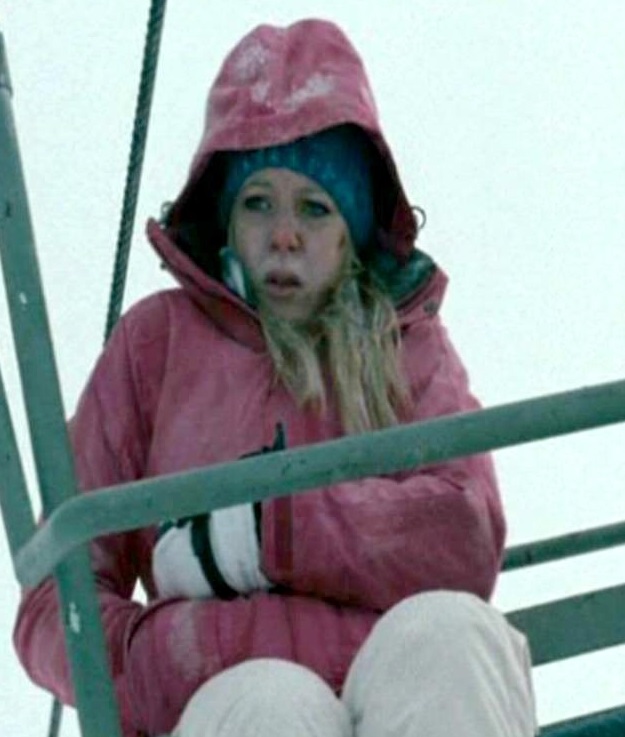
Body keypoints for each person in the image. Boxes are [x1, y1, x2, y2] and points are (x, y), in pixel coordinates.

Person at [13, 18, 537, 737]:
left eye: (314, 208)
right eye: (258, 201)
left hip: (392, 680)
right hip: (227, 698)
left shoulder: (405, 346)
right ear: (227, 220)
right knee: (269, 703)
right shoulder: (156, 347)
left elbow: (461, 533)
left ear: (351, 231)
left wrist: (270, 530)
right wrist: (150, 657)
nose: (283, 235)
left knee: (452, 635)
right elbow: (57, 595)